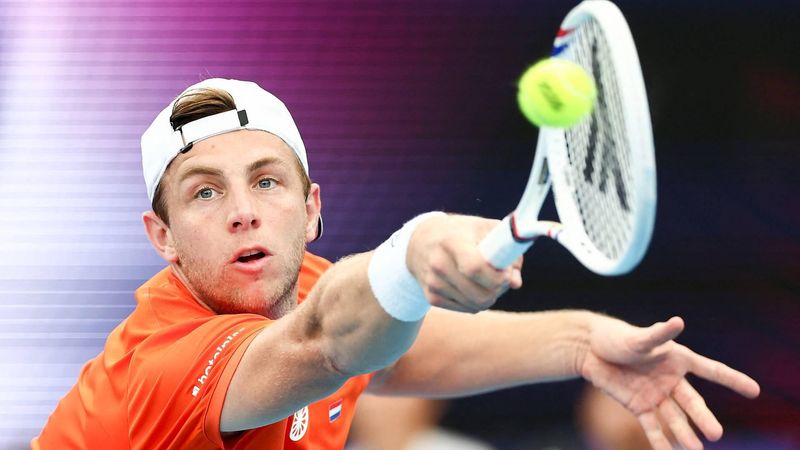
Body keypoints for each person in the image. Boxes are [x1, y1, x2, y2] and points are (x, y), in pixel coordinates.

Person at [32, 78, 759, 450]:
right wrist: (413, 249)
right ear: (163, 238)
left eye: (266, 181)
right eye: (205, 193)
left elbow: (408, 354)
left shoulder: (303, 286)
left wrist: (580, 343)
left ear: (311, 209)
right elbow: (326, 342)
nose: (243, 210)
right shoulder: (165, 360)